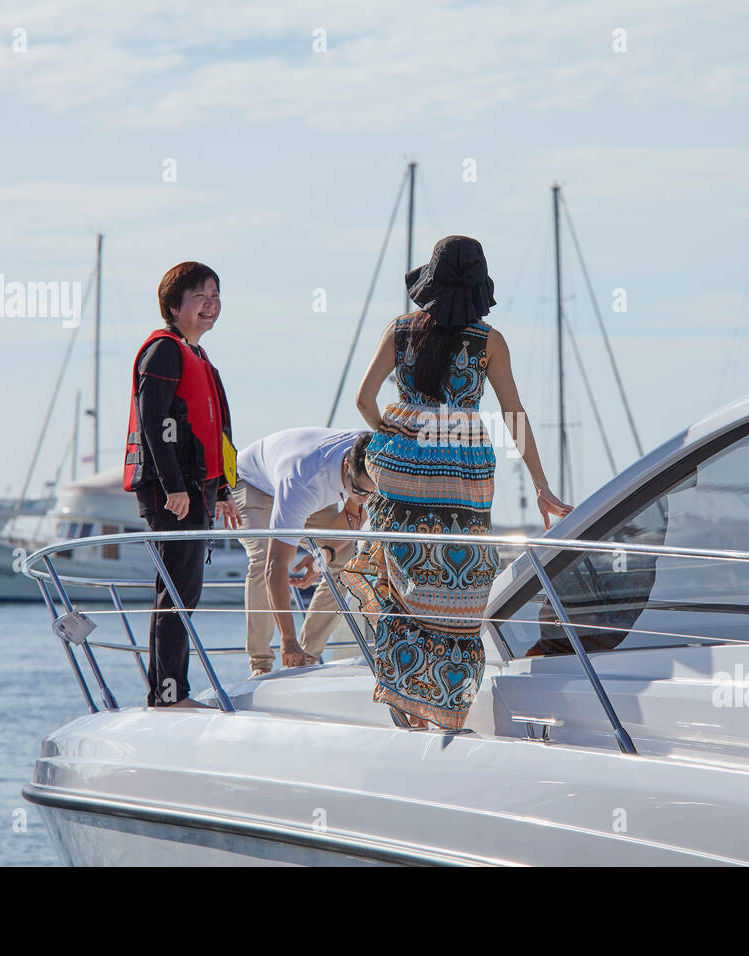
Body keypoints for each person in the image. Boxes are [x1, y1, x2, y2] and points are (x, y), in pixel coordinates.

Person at [340, 235, 572, 731]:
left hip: (400, 464)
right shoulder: (488, 341)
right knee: (455, 585)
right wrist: (541, 485)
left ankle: (405, 703)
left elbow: (363, 399)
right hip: (459, 473)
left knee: (400, 579)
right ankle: (444, 708)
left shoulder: (399, 330)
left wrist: (395, 432)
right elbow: (514, 414)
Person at [123, 261, 240, 708]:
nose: (210, 305)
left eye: (215, 296)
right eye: (199, 297)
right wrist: (174, 486)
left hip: (197, 488)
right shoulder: (166, 351)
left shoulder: (198, 355)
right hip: (172, 491)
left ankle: (170, 693)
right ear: (174, 306)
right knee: (175, 591)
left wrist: (224, 490)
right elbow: (154, 422)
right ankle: (169, 696)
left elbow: (214, 429)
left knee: (185, 592)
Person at [234, 427, 375, 677]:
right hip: (253, 483)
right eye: (360, 492)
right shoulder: (302, 483)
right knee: (261, 559)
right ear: (346, 466)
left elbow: (354, 514)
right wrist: (287, 639)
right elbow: (275, 568)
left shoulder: (369, 454)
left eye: (372, 494)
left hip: (314, 490)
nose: (365, 499)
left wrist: (323, 556)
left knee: (344, 559)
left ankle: (306, 657)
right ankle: (261, 664)